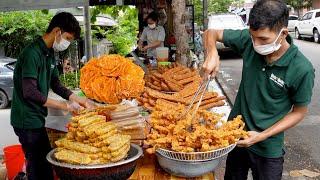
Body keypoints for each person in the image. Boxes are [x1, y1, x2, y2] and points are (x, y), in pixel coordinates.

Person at [202, 1, 314, 180]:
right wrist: (212, 52)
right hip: (236, 137)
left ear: (283, 33)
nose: (255, 44)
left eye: (263, 39)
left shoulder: (302, 68)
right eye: (252, 36)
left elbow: (299, 112)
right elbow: (211, 33)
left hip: (268, 148)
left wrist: (261, 136)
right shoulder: (249, 41)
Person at [10, 12, 95, 180]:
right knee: (36, 165)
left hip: (37, 118)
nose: (68, 43)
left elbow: (55, 84)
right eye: (68, 38)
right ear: (57, 31)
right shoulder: (31, 54)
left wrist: (76, 98)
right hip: (26, 120)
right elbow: (30, 92)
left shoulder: (49, 54)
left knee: (46, 163)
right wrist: (64, 106)